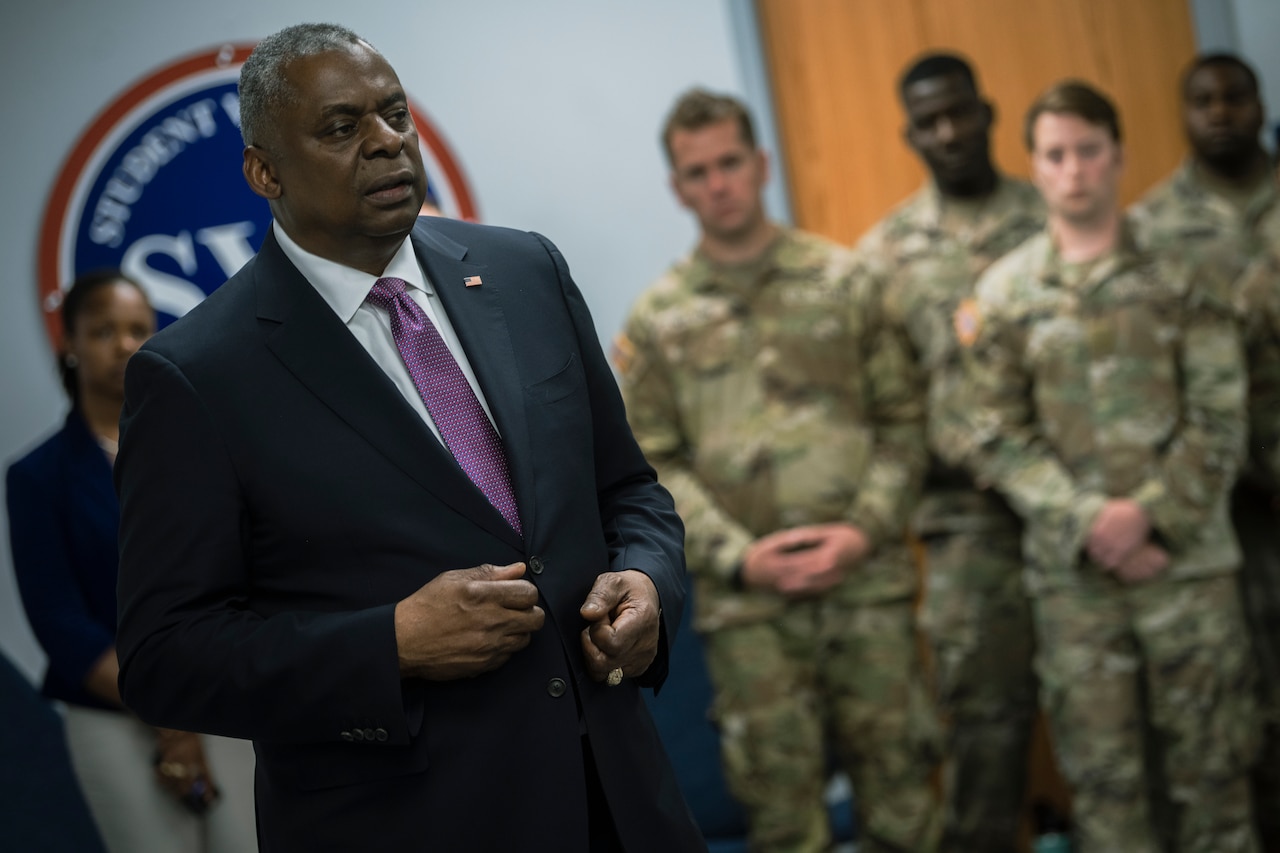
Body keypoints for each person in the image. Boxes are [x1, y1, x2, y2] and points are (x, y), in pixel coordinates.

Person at [112, 23, 703, 853]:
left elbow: (628, 492)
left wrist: (647, 582)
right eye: (342, 127)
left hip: (620, 799)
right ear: (263, 170)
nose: (386, 141)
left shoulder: (526, 272)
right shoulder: (195, 376)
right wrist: (388, 643)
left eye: (395, 114)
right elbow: (166, 657)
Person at [615, 87, 940, 853]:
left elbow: (905, 422)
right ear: (678, 187)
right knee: (783, 817)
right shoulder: (658, 320)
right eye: (698, 172)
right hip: (748, 609)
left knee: (903, 801)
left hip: (867, 587)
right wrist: (738, 554)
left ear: (760, 164)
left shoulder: (847, 281)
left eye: (730, 162)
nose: (718, 183)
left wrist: (861, 533)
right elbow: (653, 464)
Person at [964, 80, 1259, 852]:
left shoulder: (1185, 277)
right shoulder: (1005, 293)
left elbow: (1223, 416)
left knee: (1216, 786)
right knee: (1107, 795)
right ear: (1034, 166)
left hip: (1188, 574)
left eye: (1088, 150)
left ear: (1118, 156)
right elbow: (996, 434)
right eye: (1055, 155)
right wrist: (1090, 521)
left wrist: (1147, 515)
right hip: (1076, 590)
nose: (1073, 171)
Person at [854, 52, 1043, 853]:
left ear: (988, 112)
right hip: (966, 530)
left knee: (1117, 723)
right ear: (911, 134)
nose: (949, 132)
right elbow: (881, 406)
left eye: (959, 113)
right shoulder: (885, 254)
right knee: (984, 735)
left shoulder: (1050, 219)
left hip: (1080, 519)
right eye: (929, 122)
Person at [6, 270, 257, 853]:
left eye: (138, 330)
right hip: (113, 718)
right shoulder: (38, 477)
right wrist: (168, 721)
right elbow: (60, 624)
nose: (124, 344)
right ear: (69, 342)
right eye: (103, 331)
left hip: (219, 700)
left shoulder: (202, 451)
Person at [1129, 53, 1280, 847]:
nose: (1220, 111)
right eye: (1203, 100)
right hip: (1228, 513)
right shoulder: (1152, 226)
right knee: (1244, 707)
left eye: (1236, 97)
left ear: (1261, 103)